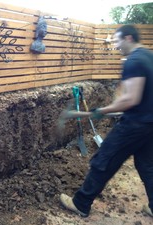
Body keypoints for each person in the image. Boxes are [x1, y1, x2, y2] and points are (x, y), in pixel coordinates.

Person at [60, 24, 153, 218]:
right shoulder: (149, 56)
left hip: (134, 125)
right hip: (150, 123)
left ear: (128, 38)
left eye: (117, 40)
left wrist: (101, 110)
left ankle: (81, 203)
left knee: (104, 159)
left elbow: (131, 99)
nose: (116, 46)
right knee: (147, 165)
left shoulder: (133, 61)